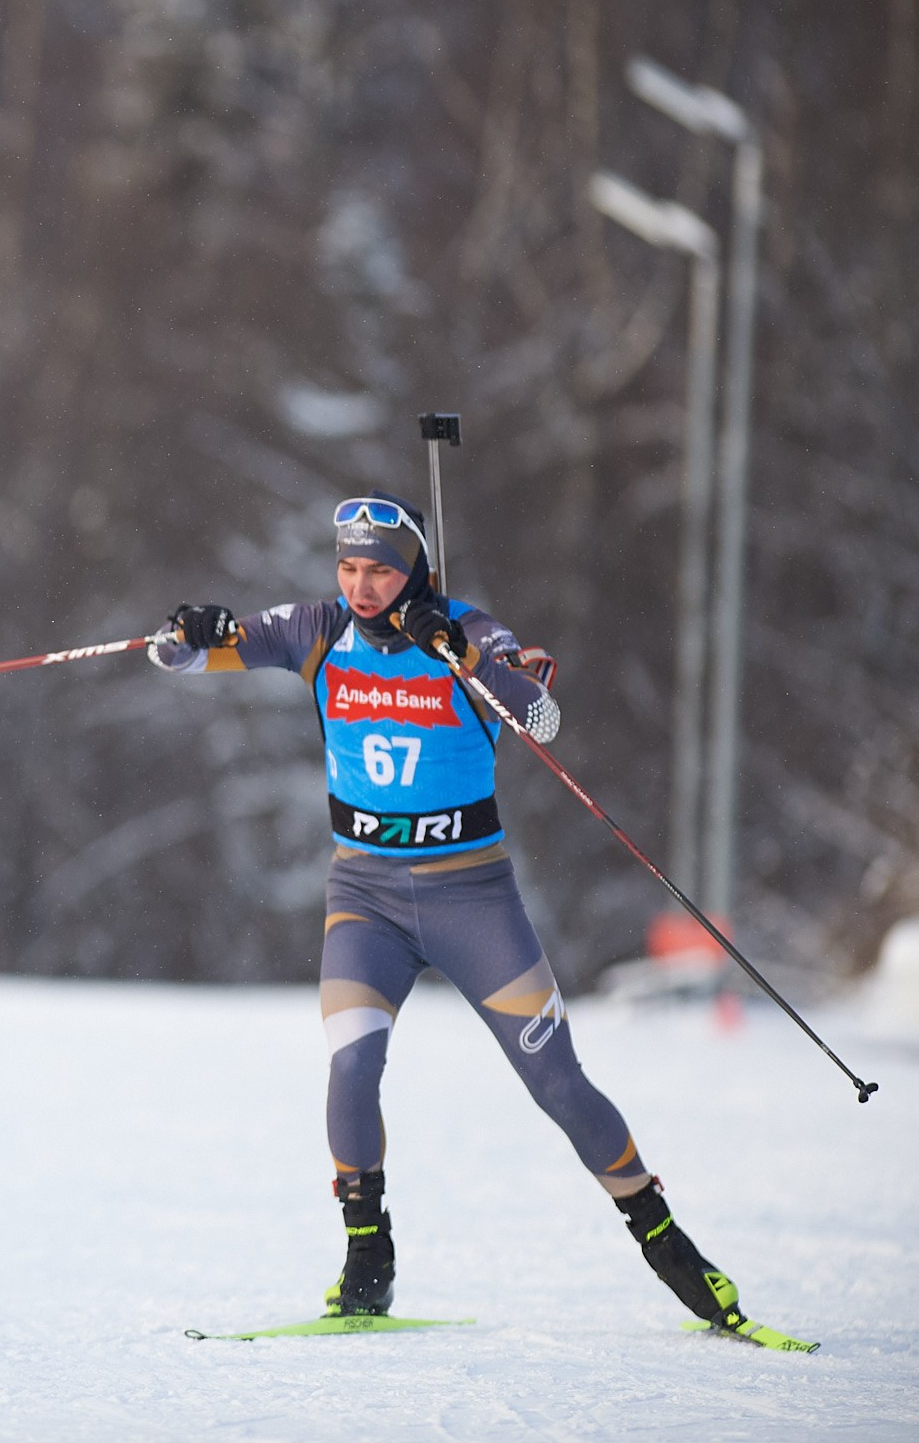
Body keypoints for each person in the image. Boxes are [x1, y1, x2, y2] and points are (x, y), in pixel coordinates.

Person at [147, 492, 781, 1342]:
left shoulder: (472, 634)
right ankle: (368, 1258)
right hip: (364, 901)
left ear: (415, 568)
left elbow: (544, 719)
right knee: (351, 1068)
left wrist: (466, 656)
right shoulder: (315, 630)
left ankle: (668, 1246)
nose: (362, 585)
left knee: (558, 1084)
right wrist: (190, 631)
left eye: (380, 568)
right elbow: (175, 658)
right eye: (349, 566)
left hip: (471, 900)